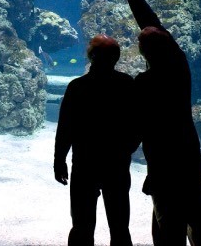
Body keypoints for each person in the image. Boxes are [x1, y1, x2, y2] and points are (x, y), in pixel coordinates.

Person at [103, 0, 201, 246]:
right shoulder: (180, 67)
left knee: (167, 219)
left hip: (162, 157)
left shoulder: (143, 83)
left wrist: (120, 152)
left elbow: (136, 126)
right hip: (188, 150)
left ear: (143, 52)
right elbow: (151, 22)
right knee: (199, 215)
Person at [54, 33, 141, 246]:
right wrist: (127, 148)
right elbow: (139, 123)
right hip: (117, 164)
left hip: (85, 164)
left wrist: (59, 160)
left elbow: (65, 128)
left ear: (90, 56)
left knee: (81, 226)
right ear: (116, 57)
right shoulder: (127, 84)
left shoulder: (77, 87)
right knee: (120, 227)